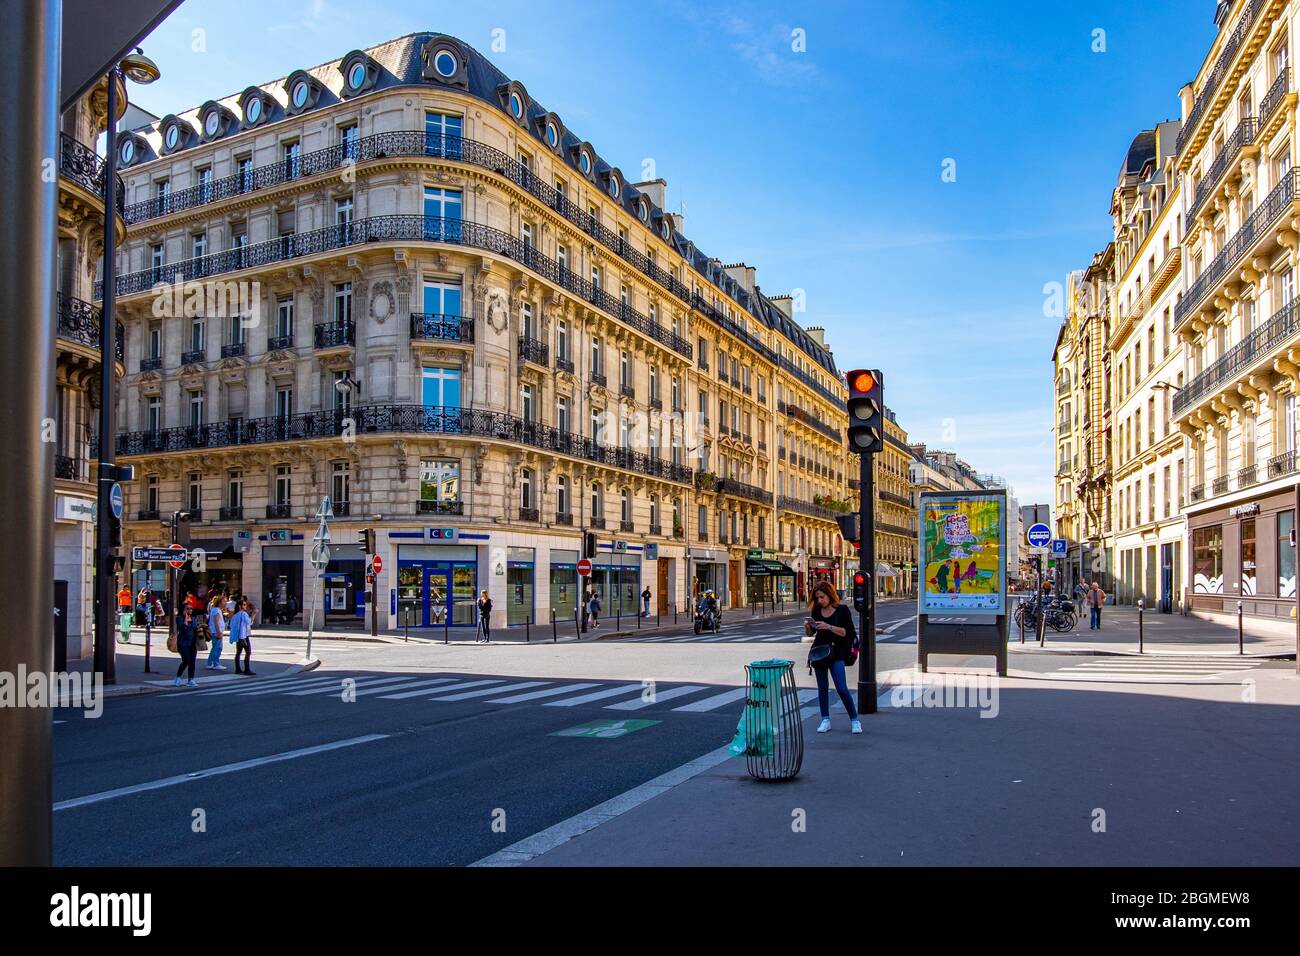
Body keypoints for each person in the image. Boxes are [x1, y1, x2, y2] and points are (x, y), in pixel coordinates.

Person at [804, 580, 861, 734]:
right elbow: (812, 634)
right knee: (822, 688)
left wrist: (828, 626)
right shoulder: (816, 611)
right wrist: (808, 628)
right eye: (817, 598)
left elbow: (846, 632)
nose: (819, 600)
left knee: (842, 688)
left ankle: (855, 720)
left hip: (837, 653)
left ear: (830, 595)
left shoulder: (842, 610)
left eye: (822, 597)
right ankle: (825, 720)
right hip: (819, 653)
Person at [174, 605, 200, 687]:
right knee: (186, 660)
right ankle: (178, 677)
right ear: (184, 610)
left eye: (191, 608)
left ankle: (191, 679)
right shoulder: (179, 618)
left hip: (192, 643)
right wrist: (185, 618)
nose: (190, 610)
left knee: (192, 661)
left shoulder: (194, 619)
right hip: (183, 643)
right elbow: (182, 628)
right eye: (187, 608)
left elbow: (196, 629)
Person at [231, 598, 255, 675]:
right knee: (248, 652)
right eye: (244, 605)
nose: (245, 606)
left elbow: (232, 626)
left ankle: (238, 669)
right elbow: (249, 622)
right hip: (244, 636)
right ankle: (247, 669)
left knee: (238, 652)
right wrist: (254, 614)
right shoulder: (243, 614)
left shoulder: (235, 615)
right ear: (240, 606)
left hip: (238, 636)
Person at [205, 595, 227, 670]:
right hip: (216, 632)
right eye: (224, 601)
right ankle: (216, 663)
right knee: (218, 648)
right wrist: (219, 632)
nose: (225, 603)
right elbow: (216, 622)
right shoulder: (216, 610)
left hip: (215, 631)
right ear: (220, 602)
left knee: (215, 647)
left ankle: (210, 663)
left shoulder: (216, 610)